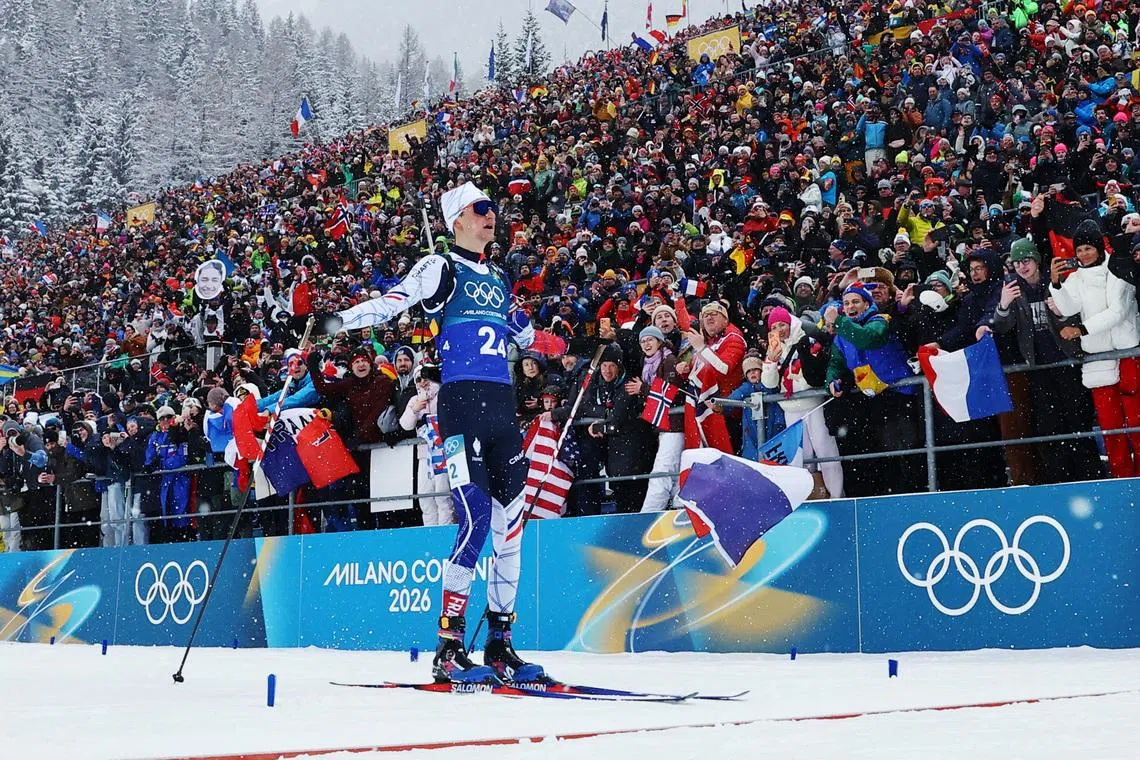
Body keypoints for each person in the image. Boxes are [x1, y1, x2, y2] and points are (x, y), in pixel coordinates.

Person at [317, 182, 542, 685]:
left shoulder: (501, 276)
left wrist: (536, 334)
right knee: (475, 521)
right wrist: (340, 320)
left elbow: (524, 336)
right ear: (456, 219)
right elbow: (392, 303)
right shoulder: (440, 265)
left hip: (501, 410)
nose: (491, 216)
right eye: (480, 209)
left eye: (493, 209)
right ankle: (448, 645)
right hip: (460, 407)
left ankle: (501, 644)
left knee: (512, 531)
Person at [993, 237, 1105, 484]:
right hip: (1039, 369)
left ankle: (1091, 480)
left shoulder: (1056, 280)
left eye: (1026, 260)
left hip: (1067, 364)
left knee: (1078, 425)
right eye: (1017, 262)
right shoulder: (1012, 288)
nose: (1022, 266)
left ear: (1036, 259)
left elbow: (1076, 315)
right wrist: (1003, 304)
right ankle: (1059, 483)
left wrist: (1060, 312)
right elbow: (1002, 326)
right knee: (1050, 430)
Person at [1049, 220, 1140, 477]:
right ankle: (1122, 480)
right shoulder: (1077, 277)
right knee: (1111, 430)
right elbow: (1067, 307)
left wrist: (1081, 330)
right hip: (1098, 360)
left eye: (1088, 248)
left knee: (1136, 424)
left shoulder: (1118, 268)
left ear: (1099, 248)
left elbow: (1118, 311)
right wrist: (1056, 285)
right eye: (1079, 250)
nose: (1083, 255)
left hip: (1128, 355)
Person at [398, 361, 454, 526]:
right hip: (424, 456)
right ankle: (430, 534)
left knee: (443, 496)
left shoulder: (444, 394)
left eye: (426, 378)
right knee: (425, 496)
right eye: (418, 379)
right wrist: (414, 410)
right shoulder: (415, 399)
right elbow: (405, 425)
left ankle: (445, 531)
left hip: (444, 453)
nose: (422, 382)